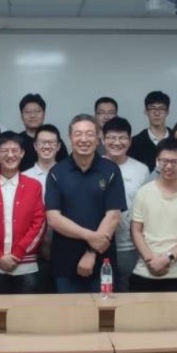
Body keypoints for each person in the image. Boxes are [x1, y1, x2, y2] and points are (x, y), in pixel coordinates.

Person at [45, 115, 126, 293]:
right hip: (64, 260)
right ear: (70, 138)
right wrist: (90, 237)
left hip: (102, 260)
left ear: (98, 139)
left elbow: (113, 217)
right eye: (78, 134)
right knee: (68, 310)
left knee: (104, 309)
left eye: (89, 134)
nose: (83, 139)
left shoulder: (111, 170)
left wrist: (91, 252)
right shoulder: (56, 172)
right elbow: (53, 219)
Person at [0, 132, 46, 294]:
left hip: (26, 265)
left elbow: (39, 223)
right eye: (4, 150)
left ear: (22, 153)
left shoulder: (34, 185)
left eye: (15, 150)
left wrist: (18, 253)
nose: (10, 155)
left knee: (27, 309)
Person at [130, 138, 177, 292]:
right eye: (164, 161)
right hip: (145, 270)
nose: (169, 166)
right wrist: (150, 260)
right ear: (157, 161)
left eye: (175, 162)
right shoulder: (143, 193)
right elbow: (136, 230)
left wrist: (167, 258)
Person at [102, 117, 150, 292]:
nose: (117, 142)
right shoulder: (93, 166)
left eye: (122, 138)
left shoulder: (142, 170)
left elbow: (147, 208)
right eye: (111, 137)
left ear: (130, 141)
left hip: (129, 244)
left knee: (127, 292)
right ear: (102, 139)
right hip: (98, 243)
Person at [23, 124, 63, 293]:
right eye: (42, 142)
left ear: (58, 146)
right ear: (35, 145)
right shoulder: (24, 177)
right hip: (33, 250)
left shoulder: (67, 174)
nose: (47, 146)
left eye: (51, 142)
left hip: (64, 245)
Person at [18, 93, 68, 171]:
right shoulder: (16, 141)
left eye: (37, 111)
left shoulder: (55, 141)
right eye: (28, 112)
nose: (33, 115)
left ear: (44, 114)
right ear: (21, 116)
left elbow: (65, 167)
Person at [129, 91, 171, 171]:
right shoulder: (135, 143)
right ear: (146, 111)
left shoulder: (176, 139)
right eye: (152, 108)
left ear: (168, 112)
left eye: (161, 108)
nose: (157, 113)